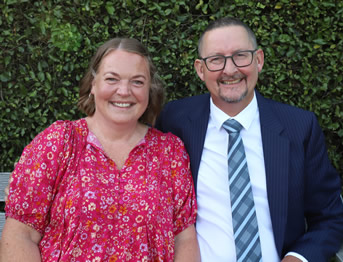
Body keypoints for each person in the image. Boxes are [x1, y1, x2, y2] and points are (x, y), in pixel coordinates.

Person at [156, 17, 343, 262]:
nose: (230, 70)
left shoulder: (299, 127)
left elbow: (330, 217)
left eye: (241, 56)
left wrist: (297, 258)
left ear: (259, 60)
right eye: (216, 59)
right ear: (200, 69)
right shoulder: (175, 121)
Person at [0, 37, 200, 262]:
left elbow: (184, 237)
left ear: (149, 90)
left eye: (137, 81)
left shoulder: (169, 152)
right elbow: (21, 233)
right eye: (111, 79)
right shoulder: (59, 142)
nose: (124, 91)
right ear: (93, 84)